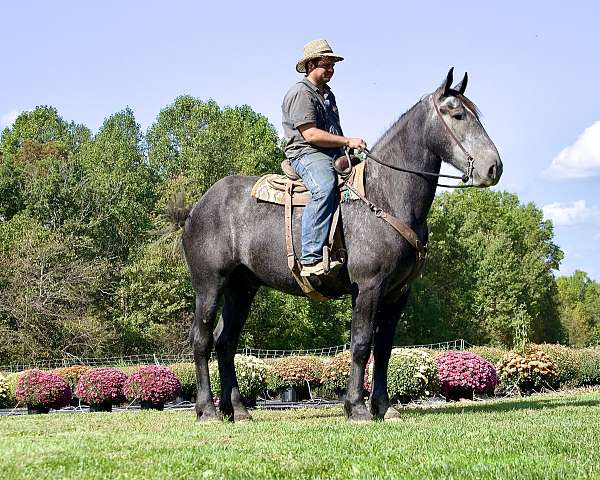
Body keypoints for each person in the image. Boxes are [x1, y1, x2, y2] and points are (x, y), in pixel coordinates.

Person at [281, 39, 367, 277]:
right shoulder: (301, 92)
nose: (331, 70)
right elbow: (310, 134)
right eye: (326, 65)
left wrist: (347, 152)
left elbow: (332, 131)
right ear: (310, 65)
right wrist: (348, 141)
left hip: (329, 152)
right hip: (306, 152)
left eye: (332, 66)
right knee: (324, 187)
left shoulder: (328, 94)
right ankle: (310, 256)